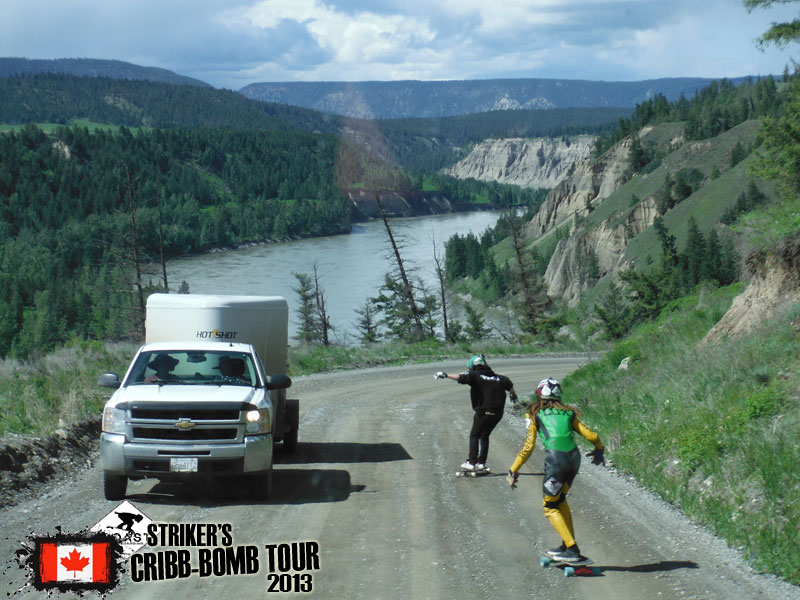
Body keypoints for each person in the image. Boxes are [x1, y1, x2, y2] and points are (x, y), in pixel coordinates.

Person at [506, 377, 605, 564]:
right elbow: (591, 435)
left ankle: (572, 549)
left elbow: (528, 446)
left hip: (556, 460)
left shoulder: (534, 414)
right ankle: (566, 544)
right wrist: (599, 449)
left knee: (550, 506)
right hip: (574, 458)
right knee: (560, 500)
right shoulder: (569, 413)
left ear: (539, 394)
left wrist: (514, 469)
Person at [435, 354, 517, 472]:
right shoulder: (500, 378)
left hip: (483, 412)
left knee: (474, 435)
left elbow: (460, 377)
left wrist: (446, 375)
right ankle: (481, 463)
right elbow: (510, 386)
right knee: (484, 435)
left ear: (473, 367)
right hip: (497, 414)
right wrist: (513, 394)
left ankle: (472, 462)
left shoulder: (474, 375)